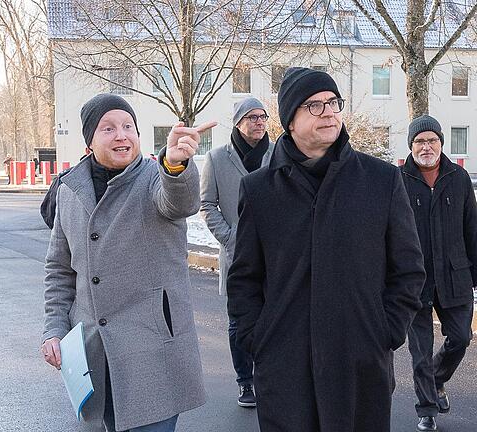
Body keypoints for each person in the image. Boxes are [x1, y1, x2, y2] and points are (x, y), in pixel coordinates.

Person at [226, 67, 426, 432]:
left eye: (333, 102)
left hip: (359, 362)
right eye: (314, 106)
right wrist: (257, 338)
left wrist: (385, 332)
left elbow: (408, 270)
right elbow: (244, 278)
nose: (329, 112)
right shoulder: (259, 190)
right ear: (290, 120)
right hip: (284, 366)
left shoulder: (381, 180)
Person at [41, 93, 214, 431]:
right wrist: (54, 328)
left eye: (128, 126)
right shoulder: (69, 189)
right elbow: (59, 269)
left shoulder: (154, 177)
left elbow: (178, 202)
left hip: (153, 352)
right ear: (89, 140)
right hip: (95, 356)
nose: (121, 135)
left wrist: (175, 164)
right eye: (108, 128)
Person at [399, 115, 476, 431]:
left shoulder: (458, 178)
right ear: (411, 146)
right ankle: (427, 408)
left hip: (455, 275)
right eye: (419, 141)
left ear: (441, 143)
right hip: (413, 280)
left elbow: (472, 228)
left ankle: (437, 379)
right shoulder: (399, 180)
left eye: (431, 140)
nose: (426, 146)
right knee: (419, 351)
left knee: (460, 337)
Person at [199, 96, 273, 408]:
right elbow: (207, 204)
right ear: (239, 122)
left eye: (263, 117)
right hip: (236, 255)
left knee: (274, 319)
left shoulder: (278, 153)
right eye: (252, 117)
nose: (259, 122)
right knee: (239, 321)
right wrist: (230, 238)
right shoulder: (217, 158)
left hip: (275, 255)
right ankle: (245, 381)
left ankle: (270, 377)